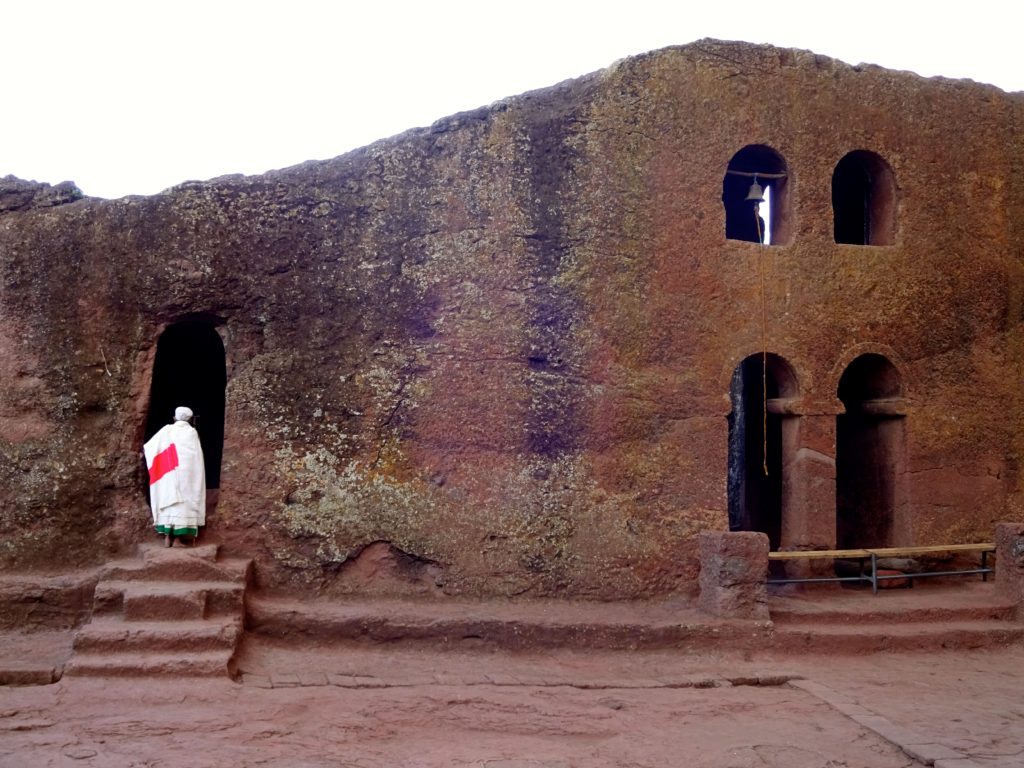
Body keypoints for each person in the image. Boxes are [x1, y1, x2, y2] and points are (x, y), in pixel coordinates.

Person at [143, 406, 206, 547]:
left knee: (169, 498)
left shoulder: (167, 430)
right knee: (185, 502)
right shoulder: (192, 432)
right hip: (188, 474)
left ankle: (167, 537)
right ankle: (178, 540)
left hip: (170, 472)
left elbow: (151, 446)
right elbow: (196, 456)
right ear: (189, 419)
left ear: (174, 418)